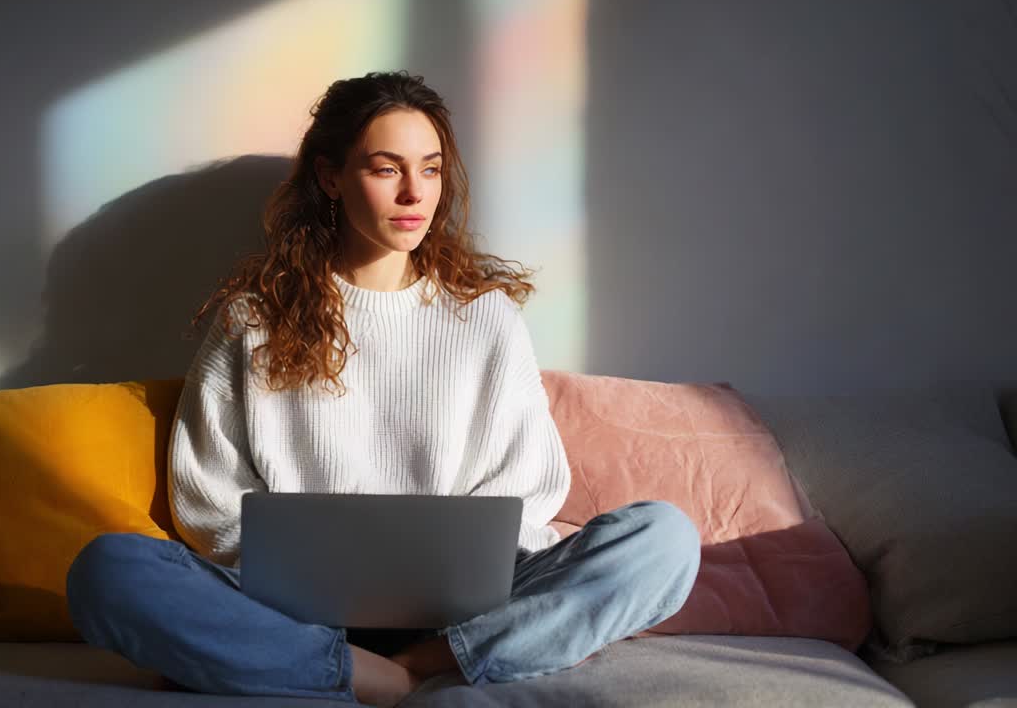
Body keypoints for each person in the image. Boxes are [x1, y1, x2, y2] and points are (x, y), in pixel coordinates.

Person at [65, 71, 701, 707]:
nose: (413, 193)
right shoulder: (254, 320)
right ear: (329, 177)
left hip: (464, 612)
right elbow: (210, 500)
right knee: (108, 571)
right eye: (386, 168)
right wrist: (293, 573)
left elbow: (526, 491)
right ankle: (374, 670)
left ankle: (412, 663)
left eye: (429, 169)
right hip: (293, 611)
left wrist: (474, 575)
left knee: (663, 539)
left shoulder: (486, 319)